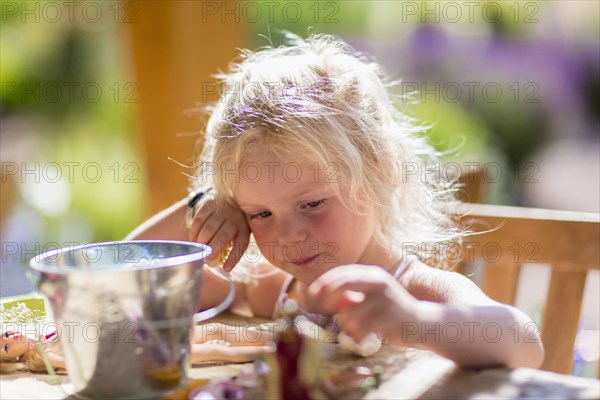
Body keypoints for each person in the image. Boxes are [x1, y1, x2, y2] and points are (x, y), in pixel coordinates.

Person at [126, 34, 544, 369]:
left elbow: (522, 342)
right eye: (261, 213)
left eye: (312, 204)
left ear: (381, 171)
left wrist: (412, 321)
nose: (288, 234)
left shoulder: (412, 290)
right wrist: (201, 208)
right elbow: (129, 282)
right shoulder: (283, 290)